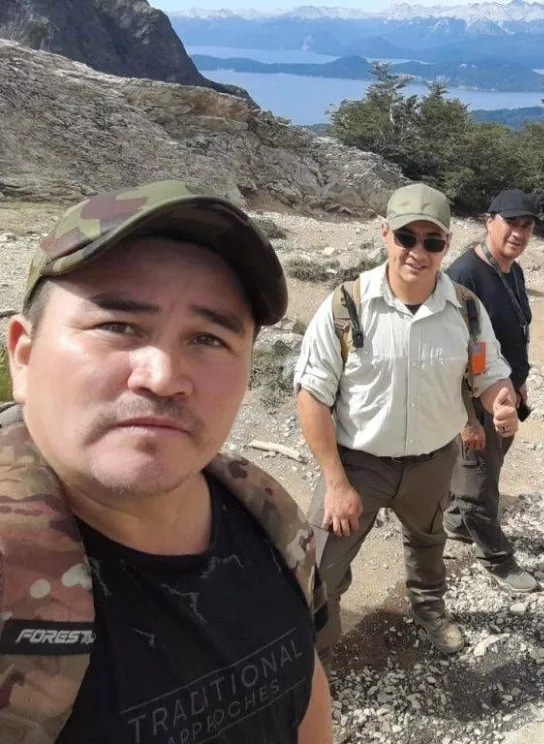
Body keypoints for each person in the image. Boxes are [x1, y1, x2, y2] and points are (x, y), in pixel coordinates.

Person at [0, 181, 332, 744]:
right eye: (118, 326)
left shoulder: (263, 508)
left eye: (208, 339)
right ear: (23, 357)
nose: (163, 377)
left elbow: (306, 678)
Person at [294, 182, 519, 658]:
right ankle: (315, 654)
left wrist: (501, 400)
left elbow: (488, 372)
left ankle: (430, 608)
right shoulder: (346, 305)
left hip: (434, 460)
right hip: (358, 465)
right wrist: (335, 482)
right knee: (319, 568)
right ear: (385, 235)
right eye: (406, 237)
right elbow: (311, 396)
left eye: (431, 241)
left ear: (446, 245)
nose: (418, 251)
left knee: (428, 540)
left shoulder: (466, 309)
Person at [444, 189, 539, 594]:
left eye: (526, 225)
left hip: (505, 391)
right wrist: (467, 419)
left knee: (491, 462)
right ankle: (496, 558)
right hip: (475, 396)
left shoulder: (511, 270)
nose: (519, 232)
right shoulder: (464, 275)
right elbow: (454, 354)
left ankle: (454, 521)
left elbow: (515, 330)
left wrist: (519, 381)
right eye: (511, 222)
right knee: (480, 480)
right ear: (489, 221)